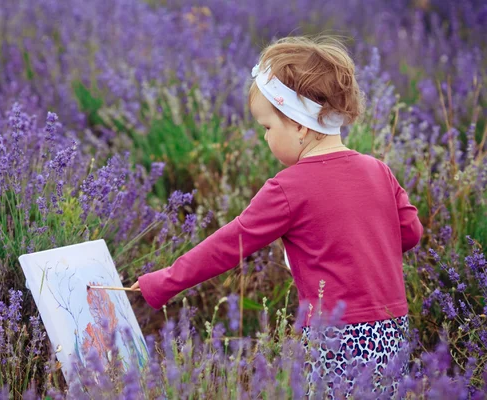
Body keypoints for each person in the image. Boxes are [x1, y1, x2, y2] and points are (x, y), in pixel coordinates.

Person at [130, 35, 423, 397]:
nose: (265, 139)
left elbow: (227, 246)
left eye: (268, 128)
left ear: (300, 125)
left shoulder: (288, 187)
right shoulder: (378, 170)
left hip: (337, 334)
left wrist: (164, 282)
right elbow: (410, 233)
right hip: (393, 328)